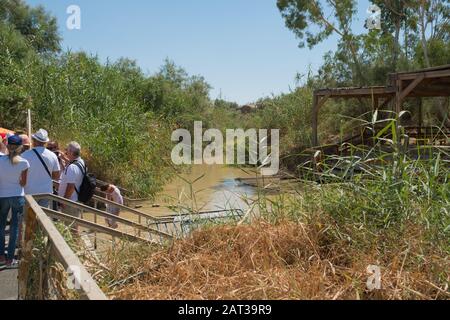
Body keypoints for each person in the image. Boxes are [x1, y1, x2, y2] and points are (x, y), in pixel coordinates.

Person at [0, 135, 29, 268]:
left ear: (7, 146)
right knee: (14, 227)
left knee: (1, 226)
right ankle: (10, 258)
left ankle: (1, 255)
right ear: (20, 148)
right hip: (18, 196)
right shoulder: (24, 163)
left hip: (2, 196)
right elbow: (23, 183)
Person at [22, 129, 61, 208]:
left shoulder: (24, 155)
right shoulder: (53, 156)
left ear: (34, 141)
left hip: (29, 193)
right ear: (45, 142)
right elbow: (56, 176)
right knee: (42, 217)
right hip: (46, 193)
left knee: (29, 218)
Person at [57, 142, 84, 222]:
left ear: (71, 152)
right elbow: (73, 166)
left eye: (66, 150)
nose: (65, 152)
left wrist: (64, 201)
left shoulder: (72, 167)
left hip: (69, 203)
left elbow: (71, 187)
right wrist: (64, 158)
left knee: (69, 228)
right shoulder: (81, 162)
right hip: (76, 200)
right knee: (74, 226)